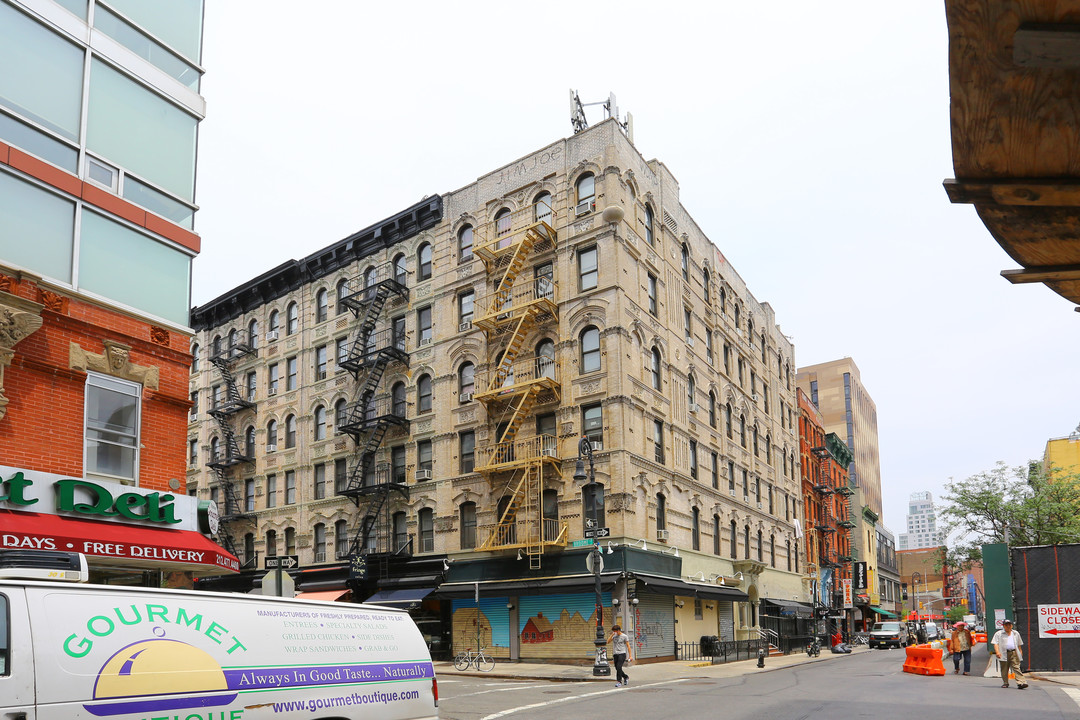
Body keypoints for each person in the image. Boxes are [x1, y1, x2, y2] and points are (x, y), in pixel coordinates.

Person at [991, 619, 1028, 689]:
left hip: (1014, 652)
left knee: (1016, 667)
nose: (1008, 626)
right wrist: (997, 652)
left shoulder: (1015, 633)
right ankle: (1005, 682)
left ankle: (1021, 682)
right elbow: (995, 643)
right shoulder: (999, 634)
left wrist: (1020, 652)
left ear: (1012, 625)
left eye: (1009, 625)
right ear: (1003, 626)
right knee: (1004, 668)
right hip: (1003, 653)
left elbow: (1019, 644)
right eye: (1006, 625)